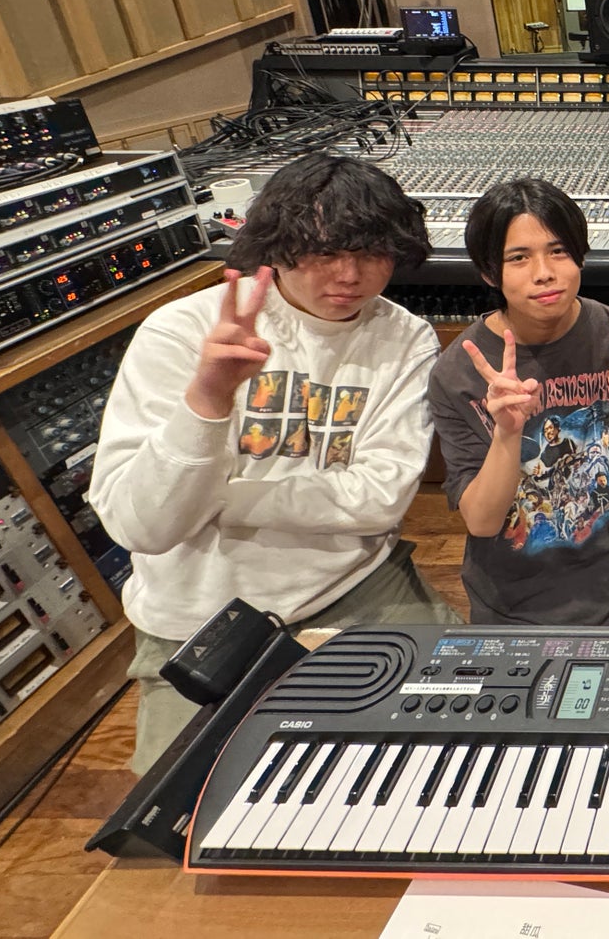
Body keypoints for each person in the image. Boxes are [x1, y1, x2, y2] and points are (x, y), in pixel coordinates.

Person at [89, 154, 457, 773]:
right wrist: (208, 399)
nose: (349, 276)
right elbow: (142, 527)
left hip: (355, 586)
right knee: (182, 808)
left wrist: (220, 497)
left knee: (460, 733)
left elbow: (379, 501)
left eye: (372, 254)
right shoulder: (180, 332)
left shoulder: (404, 335)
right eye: (323, 252)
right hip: (199, 619)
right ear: (277, 247)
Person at [428, 179, 609, 627]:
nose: (544, 273)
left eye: (558, 251)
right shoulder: (458, 372)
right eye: (518, 258)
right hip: (514, 602)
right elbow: (482, 522)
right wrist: (507, 433)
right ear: (489, 273)